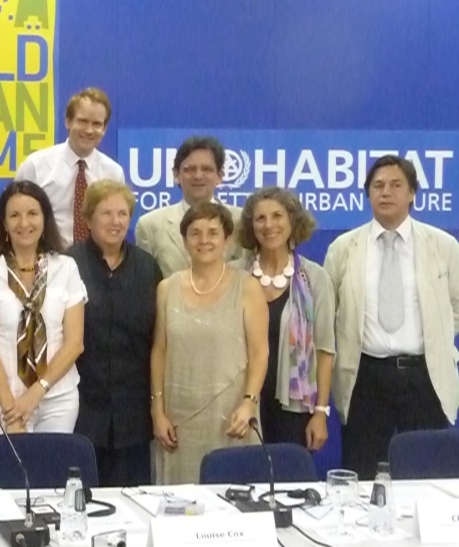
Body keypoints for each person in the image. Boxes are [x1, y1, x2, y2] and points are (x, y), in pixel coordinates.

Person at [324, 155, 459, 478]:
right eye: (378, 186)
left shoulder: (443, 246)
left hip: (424, 376)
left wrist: (437, 335)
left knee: (427, 474)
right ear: (368, 194)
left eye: (396, 185)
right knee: (362, 474)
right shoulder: (344, 248)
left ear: (412, 193)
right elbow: (328, 313)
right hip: (366, 377)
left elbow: (455, 306)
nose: (386, 192)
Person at [150, 203, 268, 484]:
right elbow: (159, 351)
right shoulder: (166, 288)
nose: (204, 240)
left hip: (232, 417)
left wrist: (249, 403)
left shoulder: (248, 287)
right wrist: (157, 410)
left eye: (213, 233)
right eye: (195, 233)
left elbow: (259, 353)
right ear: (184, 240)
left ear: (227, 240)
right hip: (179, 422)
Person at [0, 180, 87, 437]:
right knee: (11, 465)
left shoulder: (66, 268)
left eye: (32, 213)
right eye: (14, 215)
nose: (24, 223)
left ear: (45, 219)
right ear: (4, 223)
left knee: (52, 465)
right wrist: (11, 409)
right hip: (6, 401)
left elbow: (74, 343)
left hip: (59, 399)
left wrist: (36, 393)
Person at [67, 180, 161, 486]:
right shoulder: (68, 265)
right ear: (88, 219)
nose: (115, 221)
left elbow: (158, 339)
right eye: (106, 213)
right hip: (81, 410)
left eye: (122, 214)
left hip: (133, 414)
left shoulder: (147, 267)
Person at [237, 187, 334, 450]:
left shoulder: (315, 278)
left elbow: (325, 350)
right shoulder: (234, 276)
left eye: (277, 216)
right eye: (260, 218)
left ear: (293, 221)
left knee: (288, 473)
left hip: (294, 409)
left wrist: (320, 413)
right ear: (251, 226)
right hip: (239, 404)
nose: (269, 225)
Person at [15, 88, 125, 246]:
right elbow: (16, 216)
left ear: (104, 129)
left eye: (96, 124)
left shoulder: (113, 173)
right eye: (82, 121)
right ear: (68, 121)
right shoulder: (35, 166)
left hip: (96, 258)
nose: (89, 130)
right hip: (46, 255)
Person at [135, 136, 243, 278]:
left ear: (220, 175)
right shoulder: (150, 226)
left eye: (206, 169)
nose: (198, 176)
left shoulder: (241, 222)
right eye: (189, 169)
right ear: (176, 175)